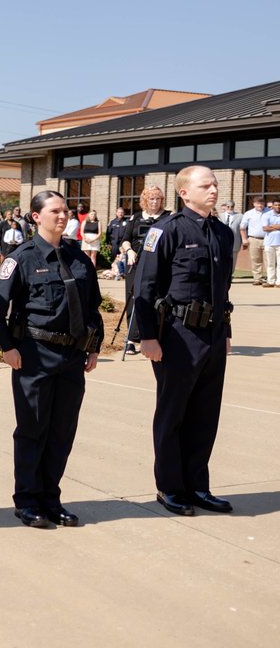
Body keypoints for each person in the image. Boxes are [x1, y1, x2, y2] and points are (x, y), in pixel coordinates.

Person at [0, 190, 102, 528]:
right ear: (36, 217)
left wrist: (94, 345)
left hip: (72, 358)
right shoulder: (20, 258)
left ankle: (52, 498)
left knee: (62, 431)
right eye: (54, 211)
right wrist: (8, 347)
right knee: (33, 429)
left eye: (65, 211)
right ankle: (28, 500)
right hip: (34, 355)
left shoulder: (78, 258)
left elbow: (91, 306)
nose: (62, 216)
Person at [134, 166, 234, 517]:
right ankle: (170, 488)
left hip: (213, 334)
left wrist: (226, 332)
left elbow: (224, 288)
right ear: (184, 193)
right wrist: (146, 337)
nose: (213, 190)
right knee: (173, 413)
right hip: (177, 335)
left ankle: (197, 486)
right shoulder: (166, 231)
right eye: (205, 185)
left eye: (215, 184)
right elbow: (144, 287)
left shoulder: (222, 233)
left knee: (205, 415)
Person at [123, 185, 169, 354]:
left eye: (158, 198)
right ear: (145, 200)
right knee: (134, 298)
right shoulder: (135, 217)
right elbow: (125, 239)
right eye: (151, 198)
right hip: (135, 263)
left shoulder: (168, 217)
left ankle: (154, 335)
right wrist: (129, 251)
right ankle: (131, 338)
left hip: (158, 265)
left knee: (156, 298)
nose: (155, 201)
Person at [240, 197, 268, 285]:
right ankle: (257, 279)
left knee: (269, 260)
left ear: (264, 204)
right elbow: (242, 227)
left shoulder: (269, 212)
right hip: (253, 239)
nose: (260, 205)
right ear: (254, 204)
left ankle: (270, 278)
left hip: (268, 239)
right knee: (255, 259)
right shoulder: (248, 214)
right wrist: (244, 239)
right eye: (258, 203)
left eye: (262, 203)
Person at [262, 199, 280, 287]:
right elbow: (265, 228)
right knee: (270, 263)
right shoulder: (266, 215)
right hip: (269, 243)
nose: (278, 206)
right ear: (272, 206)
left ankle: (279, 282)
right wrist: (278, 227)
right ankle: (271, 281)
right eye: (276, 205)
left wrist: (272, 226)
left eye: (279, 205)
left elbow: (268, 227)